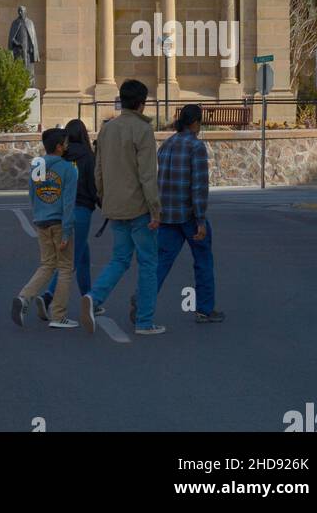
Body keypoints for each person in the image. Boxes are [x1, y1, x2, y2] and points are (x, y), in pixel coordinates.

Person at [81, 78, 165, 336]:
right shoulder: (142, 130)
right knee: (149, 264)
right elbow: (148, 175)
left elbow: (98, 170)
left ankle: (94, 297)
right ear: (142, 104)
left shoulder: (108, 129)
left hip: (115, 205)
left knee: (119, 259)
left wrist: (105, 198)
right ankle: (144, 321)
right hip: (139, 207)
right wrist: (155, 209)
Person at [154, 104, 224, 325]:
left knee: (162, 261)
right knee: (203, 260)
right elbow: (199, 187)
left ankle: (144, 297)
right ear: (195, 123)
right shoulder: (196, 146)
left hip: (167, 214)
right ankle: (204, 309)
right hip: (189, 215)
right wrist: (201, 220)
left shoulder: (166, 145)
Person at [11, 127, 79, 330]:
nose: (67, 146)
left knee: (47, 264)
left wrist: (39, 214)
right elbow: (68, 203)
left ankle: (25, 296)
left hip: (42, 221)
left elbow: (33, 194)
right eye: (65, 143)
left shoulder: (37, 165)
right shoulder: (68, 169)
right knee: (65, 268)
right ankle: (59, 314)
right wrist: (67, 231)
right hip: (59, 222)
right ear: (59, 147)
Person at [42, 118, 99, 310]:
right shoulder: (88, 157)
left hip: (60, 209)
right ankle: (48, 295)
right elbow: (93, 186)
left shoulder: (60, 157)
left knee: (83, 255)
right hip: (81, 209)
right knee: (71, 259)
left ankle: (89, 298)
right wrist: (102, 203)